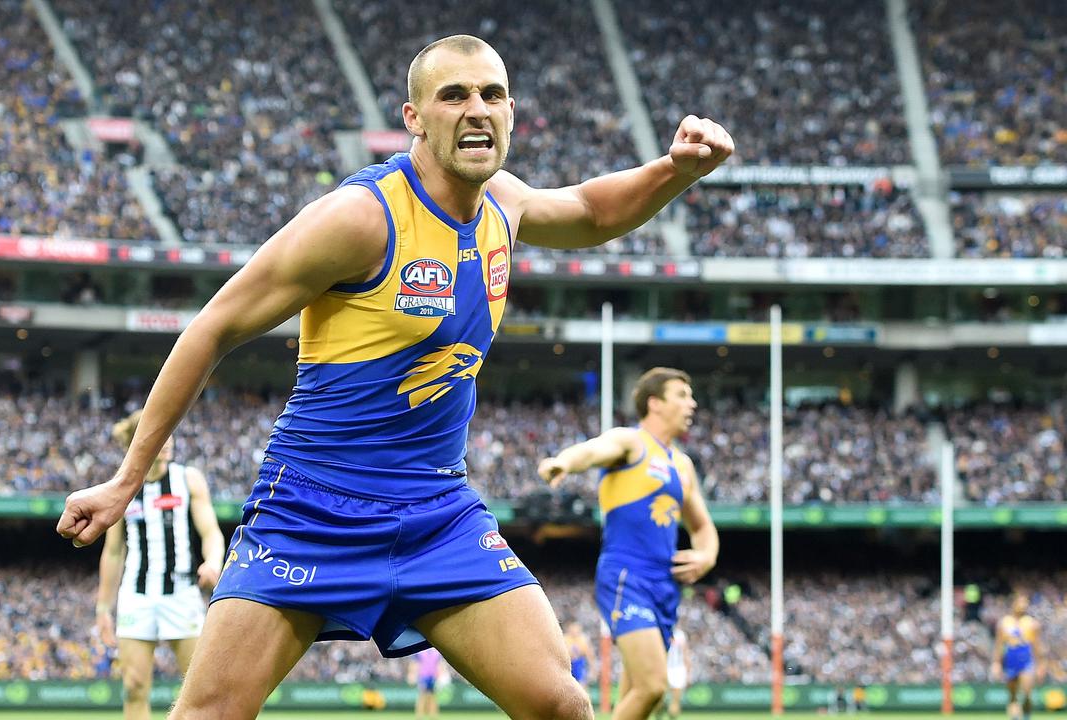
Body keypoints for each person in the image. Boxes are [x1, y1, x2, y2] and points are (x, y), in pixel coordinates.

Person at [57, 34, 733, 719]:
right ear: (413, 117)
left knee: (562, 704)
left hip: (438, 512)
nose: (477, 110)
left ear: (511, 112)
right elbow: (214, 326)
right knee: (211, 714)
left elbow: (591, 212)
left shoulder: (505, 203)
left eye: (492, 95)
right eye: (454, 95)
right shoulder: (361, 218)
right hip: (312, 508)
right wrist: (127, 478)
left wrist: (676, 170)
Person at [538, 368, 720, 720]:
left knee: (643, 697)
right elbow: (593, 450)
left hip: (665, 586)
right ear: (655, 403)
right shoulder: (632, 442)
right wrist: (564, 462)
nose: (692, 403)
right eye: (682, 395)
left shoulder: (682, 465)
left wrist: (707, 556)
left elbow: (702, 527)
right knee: (653, 686)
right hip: (627, 574)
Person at [94, 411, 224, 720]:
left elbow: (210, 532)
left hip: (181, 593)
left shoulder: (188, 479)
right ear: (142, 442)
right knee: (134, 686)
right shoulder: (122, 488)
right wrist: (102, 608)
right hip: (137, 595)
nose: (167, 443)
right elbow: (113, 552)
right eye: (160, 436)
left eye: (170, 435)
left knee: (200, 689)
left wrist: (213, 561)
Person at [991, 593, 1042, 720]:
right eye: (1021, 602)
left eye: (1026, 602)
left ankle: (1026, 716)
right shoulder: (1004, 623)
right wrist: (996, 663)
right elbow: (998, 645)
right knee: (1012, 695)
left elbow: (1037, 646)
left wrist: (1041, 665)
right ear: (1013, 603)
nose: (1023, 605)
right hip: (1010, 660)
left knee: (1027, 693)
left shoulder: (1032, 623)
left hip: (1026, 660)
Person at [664, 625, 691, 720]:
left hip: (678, 669)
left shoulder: (680, 634)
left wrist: (688, 674)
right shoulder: (661, 631)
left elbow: (685, 653)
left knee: (675, 700)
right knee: (660, 701)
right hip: (666, 667)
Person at [409, 646, 445, 719]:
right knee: (422, 696)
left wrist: (440, 675)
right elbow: (414, 663)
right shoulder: (419, 651)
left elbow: (439, 664)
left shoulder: (436, 651)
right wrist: (412, 674)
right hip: (423, 676)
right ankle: (419, 715)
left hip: (433, 676)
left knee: (432, 696)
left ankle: (433, 714)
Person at [564, 621, 595, 690]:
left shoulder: (583, 639)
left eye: (577, 629)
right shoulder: (565, 639)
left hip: (579, 665)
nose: (575, 631)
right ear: (569, 629)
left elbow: (590, 655)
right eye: (573, 628)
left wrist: (592, 669)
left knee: (582, 686)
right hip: (568, 664)